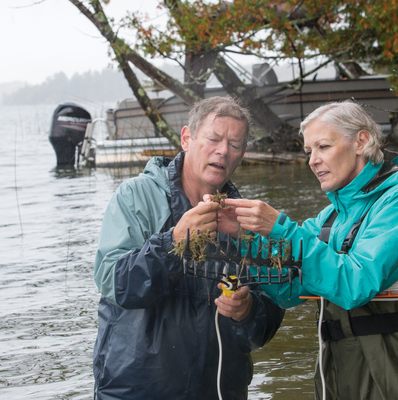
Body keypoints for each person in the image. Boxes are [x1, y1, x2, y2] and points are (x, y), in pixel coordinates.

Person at [92, 96, 285, 400]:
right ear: (187, 138)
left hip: (221, 391)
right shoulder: (135, 196)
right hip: (137, 389)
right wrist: (174, 243)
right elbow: (116, 284)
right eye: (213, 138)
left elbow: (265, 324)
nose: (223, 150)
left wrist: (248, 310)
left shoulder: (247, 218)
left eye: (235, 144)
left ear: (243, 154)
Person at [221, 101, 398, 400]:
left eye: (323, 146)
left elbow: (357, 283)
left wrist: (281, 229)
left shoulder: (394, 203)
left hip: (388, 372)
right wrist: (245, 240)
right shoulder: (330, 217)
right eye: (308, 152)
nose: (313, 160)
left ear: (361, 141)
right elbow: (289, 292)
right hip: (337, 373)